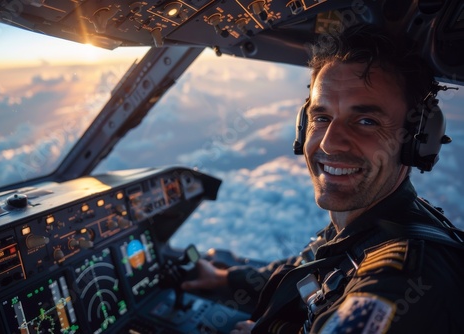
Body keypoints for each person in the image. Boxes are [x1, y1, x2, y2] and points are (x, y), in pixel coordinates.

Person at [181, 23, 464, 333]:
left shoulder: (401, 281)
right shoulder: (364, 226)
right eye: (321, 117)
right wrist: (223, 280)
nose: (329, 142)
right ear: (303, 125)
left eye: (366, 120)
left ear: (417, 141)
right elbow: (310, 271)